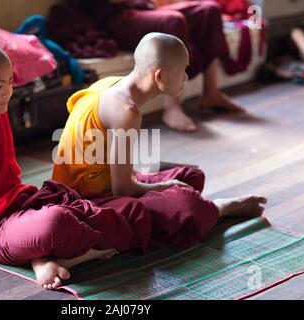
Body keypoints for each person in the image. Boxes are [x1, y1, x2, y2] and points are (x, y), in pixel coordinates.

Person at [0, 42, 153, 290]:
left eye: (10, 82)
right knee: (56, 222)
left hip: (22, 204)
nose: (7, 92)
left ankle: (45, 259)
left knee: (123, 209)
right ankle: (74, 255)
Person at [52, 32, 267, 254]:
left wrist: (162, 183)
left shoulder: (110, 84)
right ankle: (220, 208)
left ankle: (197, 206)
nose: (186, 77)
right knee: (186, 204)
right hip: (86, 201)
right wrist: (163, 186)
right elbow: (122, 189)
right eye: (182, 70)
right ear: (159, 76)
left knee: (191, 177)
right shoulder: (126, 112)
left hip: (105, 181)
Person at [78, 0, 245, 132]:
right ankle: (172, 107)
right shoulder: (128, 114)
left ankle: (211, 93)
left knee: (210, 9)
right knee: (173, 20)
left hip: (142, 6)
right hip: (112, 15)